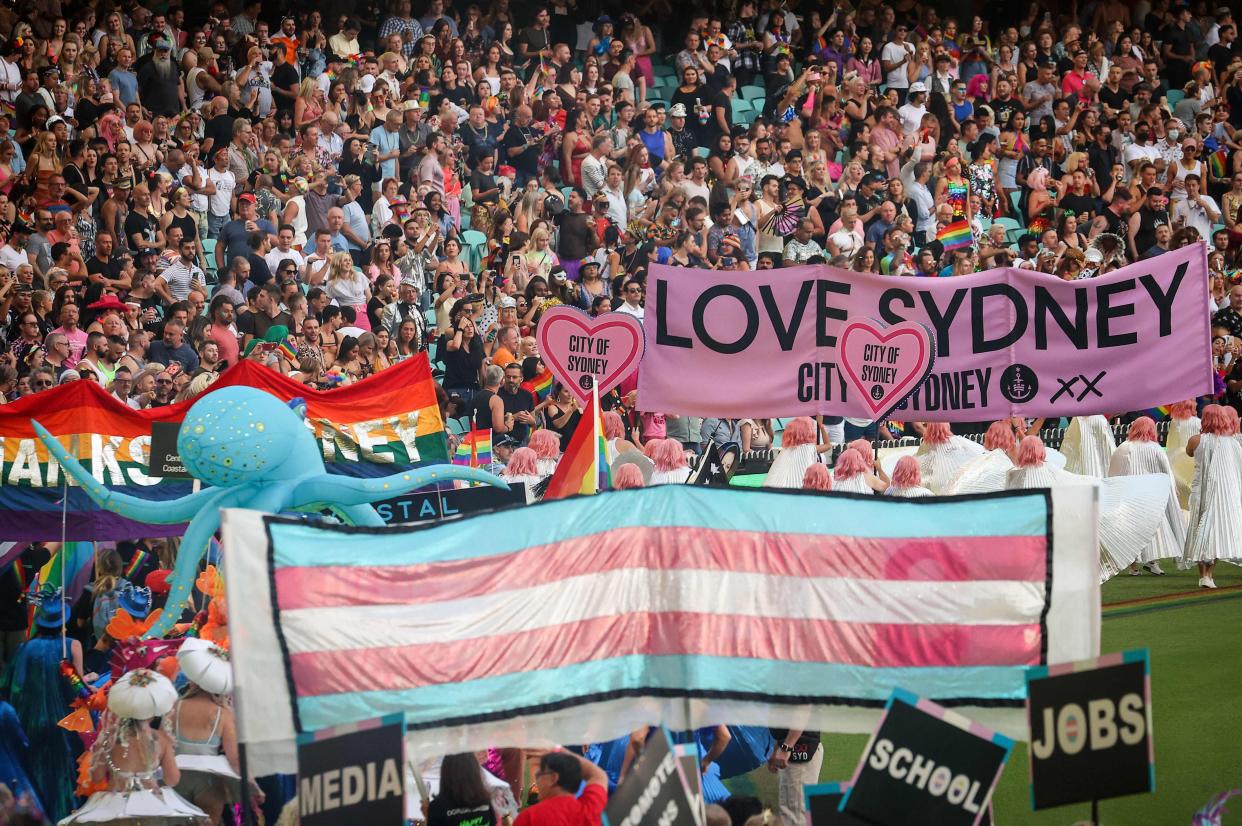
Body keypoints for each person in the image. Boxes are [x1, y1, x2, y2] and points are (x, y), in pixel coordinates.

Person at [1182, 405, 1242, 589]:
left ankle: (1204, 575)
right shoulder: (1233, 443)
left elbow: (1189, 452)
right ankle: (1209, 574)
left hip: (1201, 491)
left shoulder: (1196, 440)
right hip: (1225, 493)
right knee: (1216, 530)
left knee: (1200, 528)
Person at [513, 749, 607, 826]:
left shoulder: (529, 817)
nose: (537, 782)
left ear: (553, 778)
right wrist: (558, 749)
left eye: (539, 776)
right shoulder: (590, 808)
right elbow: (599, 775)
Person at [423, 753, 498, 826]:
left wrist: (428, 816)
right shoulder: (485, 801)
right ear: (474, 771)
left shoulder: (438, 807)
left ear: (446, 772)